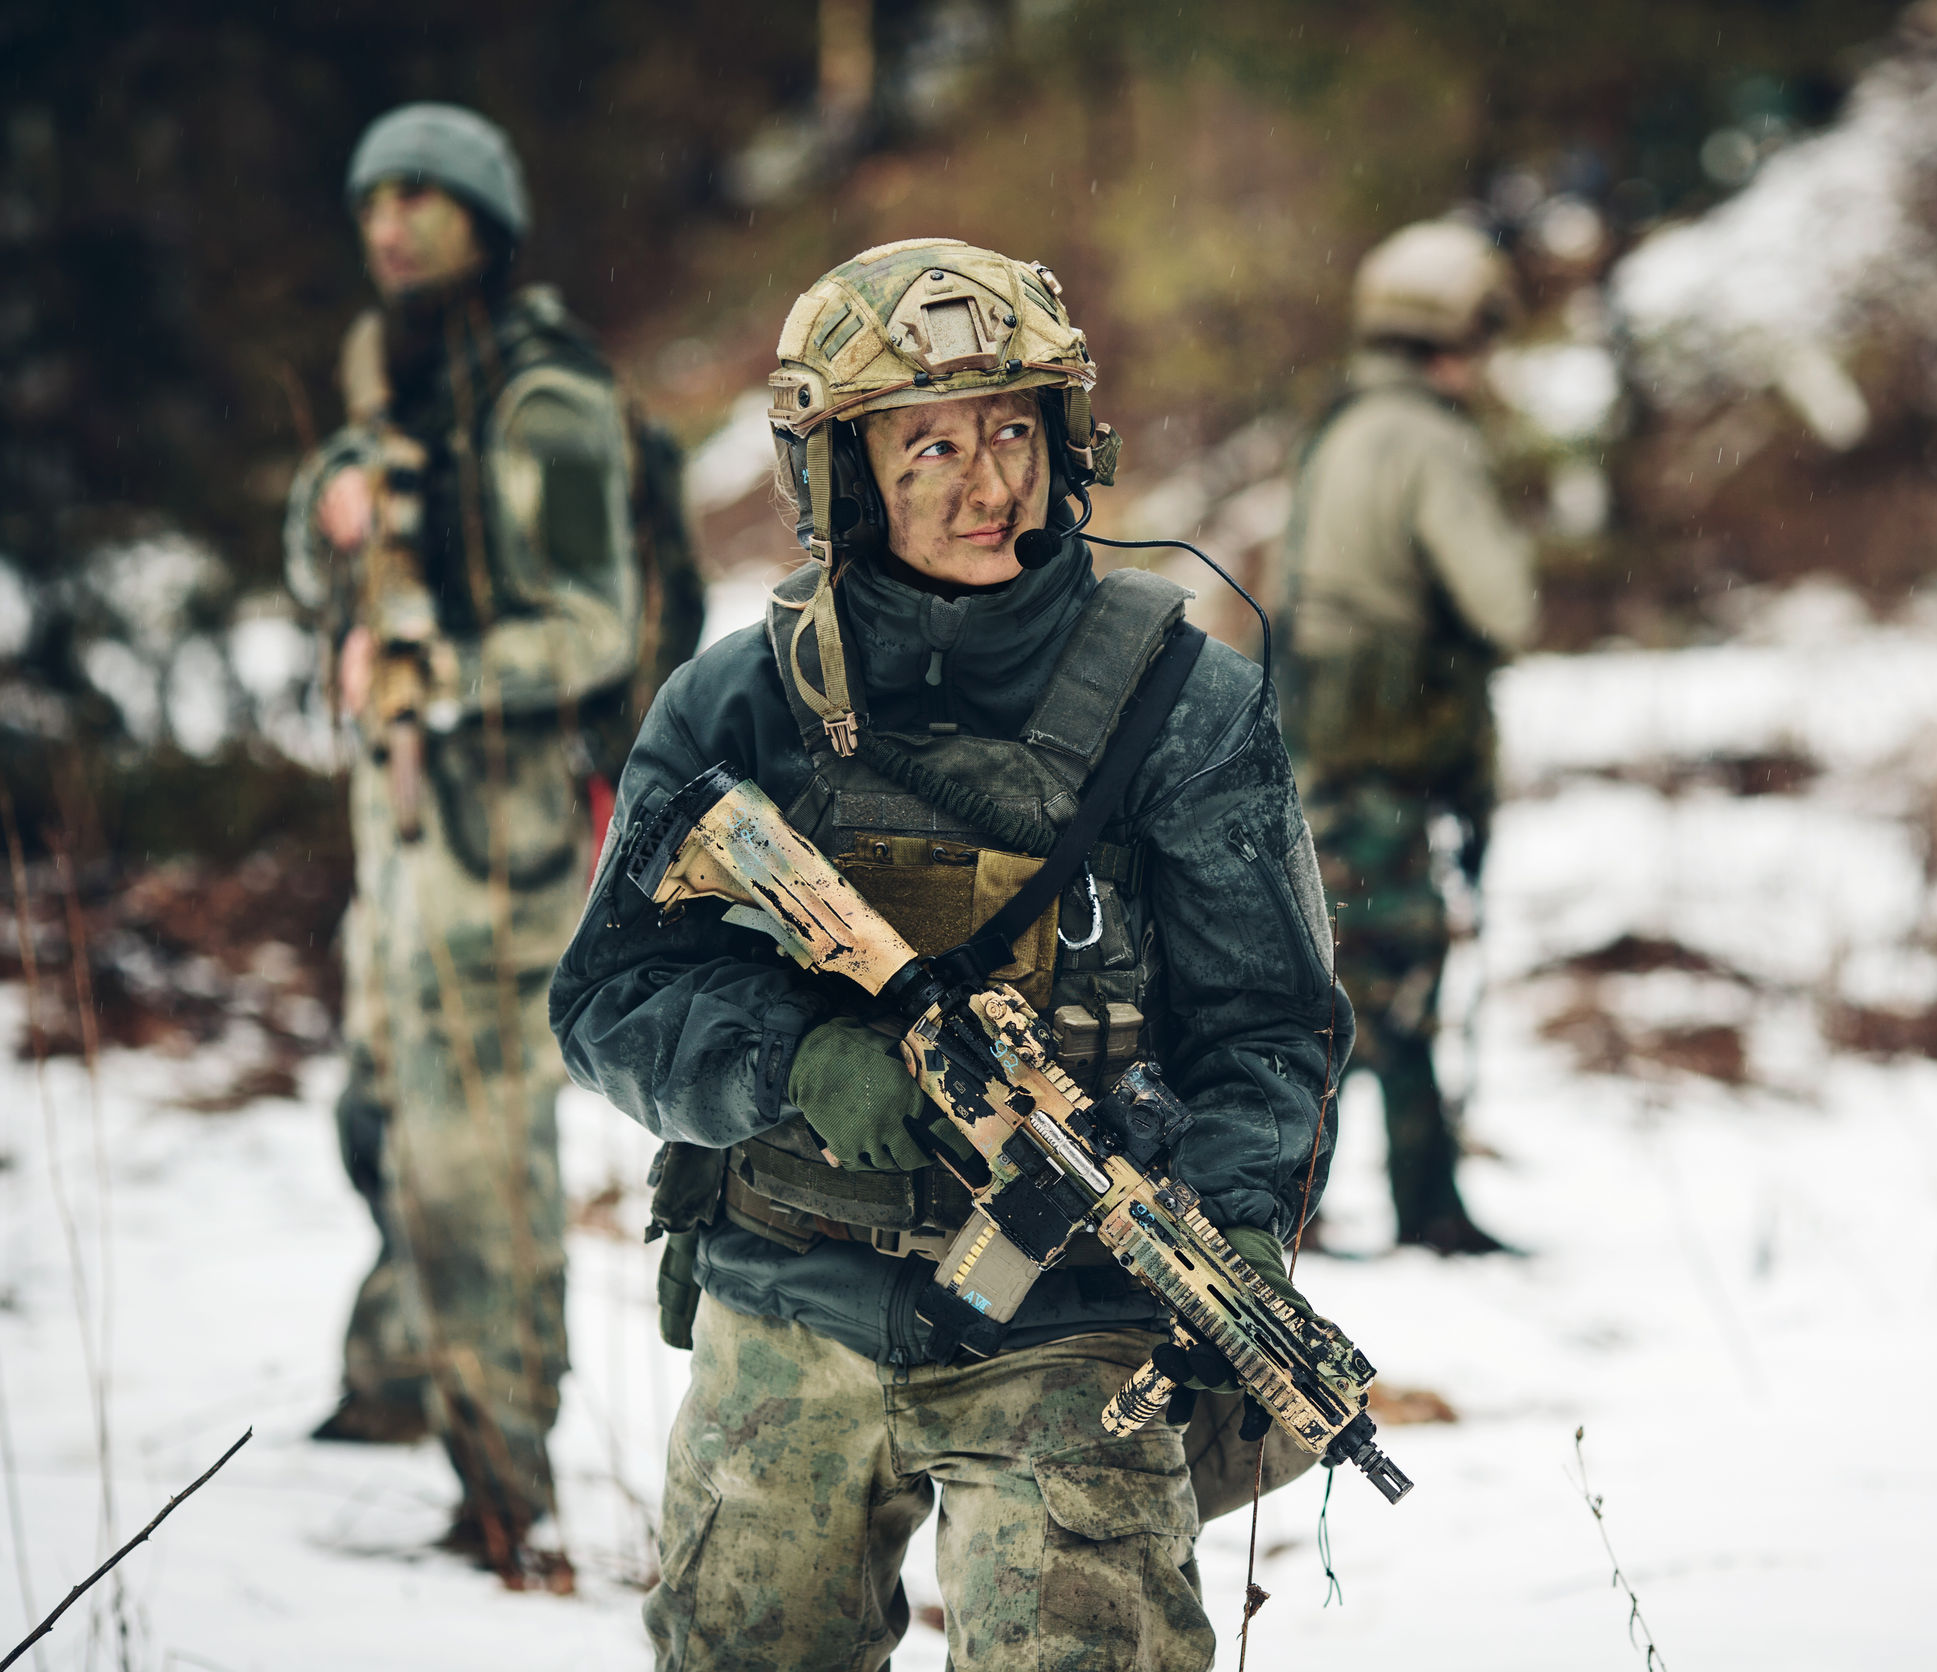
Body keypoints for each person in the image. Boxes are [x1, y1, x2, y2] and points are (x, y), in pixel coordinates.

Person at [550, 236, 1349, 1671]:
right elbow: (608, 997)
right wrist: (799, 1064)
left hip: (1076, 1326)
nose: (992, 487)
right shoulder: (738, 704)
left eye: (1016, 433)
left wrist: (1234, 1221)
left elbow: (1271, 1029)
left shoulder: (1186, 708)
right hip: (790, 1290)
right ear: (842, 472)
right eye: (930, 447)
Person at [282, 102, 654, 1584]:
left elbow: (594, 625)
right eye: (376, 193)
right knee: (378, 1111)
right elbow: (325, 565)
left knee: (474, 1152)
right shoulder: (401, 378)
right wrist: (333, 513)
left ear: (488, 220)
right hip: (396, 814)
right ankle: (398, 1369)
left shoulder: (545, 400)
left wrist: (431, 673)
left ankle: (502, 1476)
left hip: (492, 829)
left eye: (427, 196)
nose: (391, 220)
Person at [1276, 217, 1538, 1255]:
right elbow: (1504, 603)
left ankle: (1314, 1199)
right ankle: (1420, 1206)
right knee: (1393, 982)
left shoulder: (1338, 426)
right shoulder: (1426, 440)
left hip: (1325, 752)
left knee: (1335, 979)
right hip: (1385, 759)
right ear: (1452, 336)